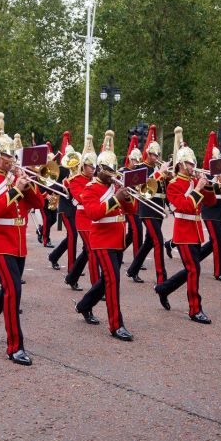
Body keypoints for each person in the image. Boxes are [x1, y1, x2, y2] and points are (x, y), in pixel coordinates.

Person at [0, 112, 45, 366]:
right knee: (14, 291)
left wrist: (30, 182)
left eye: (12, 157)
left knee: (7, 290)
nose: (10, 161)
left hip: (18, 241)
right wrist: (15, 188)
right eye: (6, 156)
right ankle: (15, 346)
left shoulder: (14, 178)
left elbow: (38, 203)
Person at [76, 130, 137, 340]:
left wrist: (127, 196)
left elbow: (133, 211)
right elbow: (93, 212)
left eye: (114, 170)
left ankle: (84, 305)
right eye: (108, 170)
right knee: (113, 280)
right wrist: (115, 198)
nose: (113, 174)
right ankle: (116, 325)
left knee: (106, 280)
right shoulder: (90, 188)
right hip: (102, 240)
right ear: (100, 170)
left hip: (117, 239)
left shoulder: (115, 186)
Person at [154, 127, 217, 322]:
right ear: (181, 164)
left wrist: (206, 186)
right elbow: (184, 207)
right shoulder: (174, 185)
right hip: (183, 232)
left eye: (193, 162)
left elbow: (211, 202)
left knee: (192, 268)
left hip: (196, 231)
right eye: (189, 163)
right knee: (193, 270)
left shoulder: (194, 180)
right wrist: (197, 188)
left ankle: (164, 289)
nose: (193, 166)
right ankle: (194, 309)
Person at [125, 124, 171, 285]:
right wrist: (160, 173)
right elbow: (139, 185)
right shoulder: (140, 168)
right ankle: (161, 278)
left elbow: (165, 188)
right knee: (158, 240)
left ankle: (133, 270)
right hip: (147, 208)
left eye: (157, 154)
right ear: (147, 153)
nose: (156, 157)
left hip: (158, 208)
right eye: (153, 154)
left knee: (149, 242)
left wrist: (169, 176)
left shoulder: (158, 168)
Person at [63, 135, 98, 290]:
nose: (93, 169)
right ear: (83, 166)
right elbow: (82, 198)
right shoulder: (75, 180)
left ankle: (72, 277)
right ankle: (95, 286)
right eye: (90, 166)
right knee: (92, 251)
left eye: (94, 166)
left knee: (86, 251)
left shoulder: (97, 179)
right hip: (83, 218)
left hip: (94, 219)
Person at [200, 136, 221, 282]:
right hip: (209, 209)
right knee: (218, 240)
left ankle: (195, 258)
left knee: (214, 242)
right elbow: (206, 191)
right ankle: (219, 272)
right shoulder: (205, 173)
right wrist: (218, 183)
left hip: (220, 209)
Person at [48, 137, 82, 273]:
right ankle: (72, 268)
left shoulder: (78, 170)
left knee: (71, 236)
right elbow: (54, 187)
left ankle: (54, 256)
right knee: (73, 235)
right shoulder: (61, 170)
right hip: (65, 207)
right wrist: (64, 185)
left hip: (75, 207)